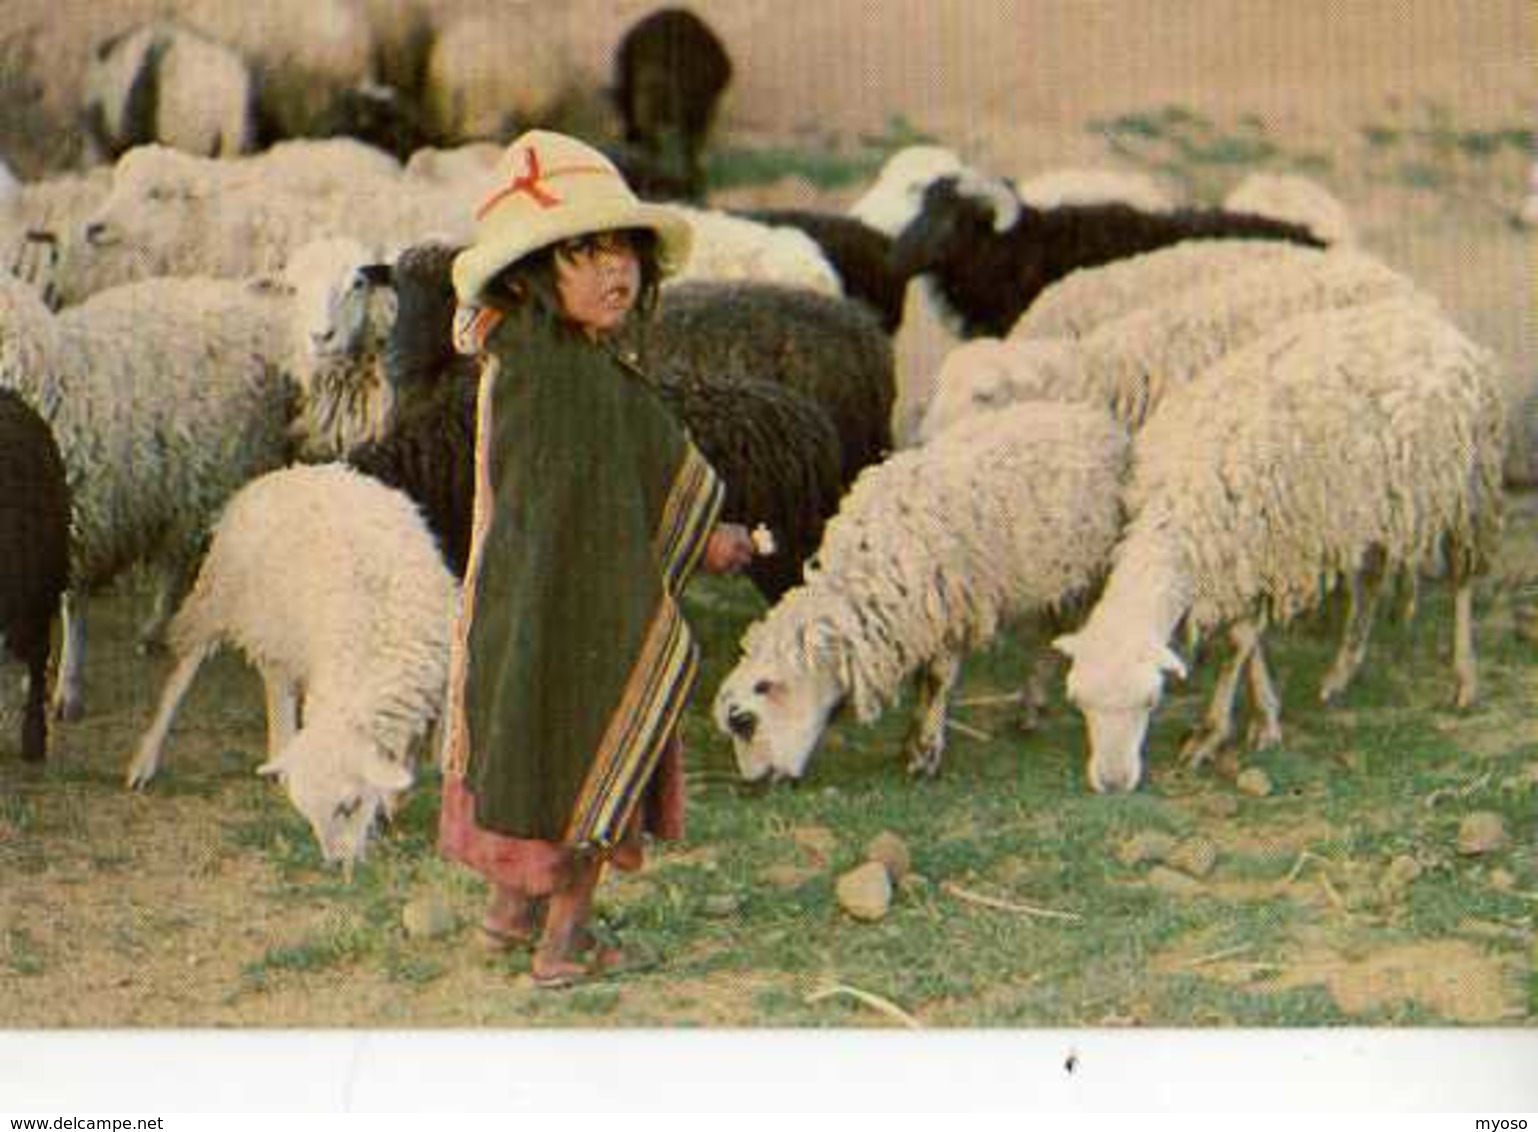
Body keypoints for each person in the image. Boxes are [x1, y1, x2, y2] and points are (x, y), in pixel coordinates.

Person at [437, 129, 755, 988]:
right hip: (585, 613)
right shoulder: (578, 381)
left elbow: (595, 489)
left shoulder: (524, 358)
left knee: (519, 739)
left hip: (517, 601)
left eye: (624, 252)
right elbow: (625, 492)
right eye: (583, 254)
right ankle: (565, 942)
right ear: (533, 271)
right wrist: (709, 538)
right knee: (585, 746)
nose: (615, 272)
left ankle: (507, 915)